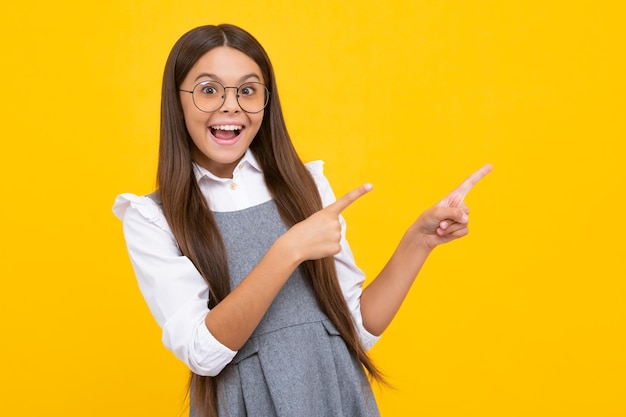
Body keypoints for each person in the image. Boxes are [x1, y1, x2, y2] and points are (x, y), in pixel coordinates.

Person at [112, 23, 491, 417]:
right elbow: (202, 353)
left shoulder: (306, 185)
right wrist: (287, 250)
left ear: (265, 100)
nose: (230, 105)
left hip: (334, 393)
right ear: (177, 101)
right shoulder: (151, 218)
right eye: (208, 90)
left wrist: (419, 241)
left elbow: (356, 327)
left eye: (247, 90)